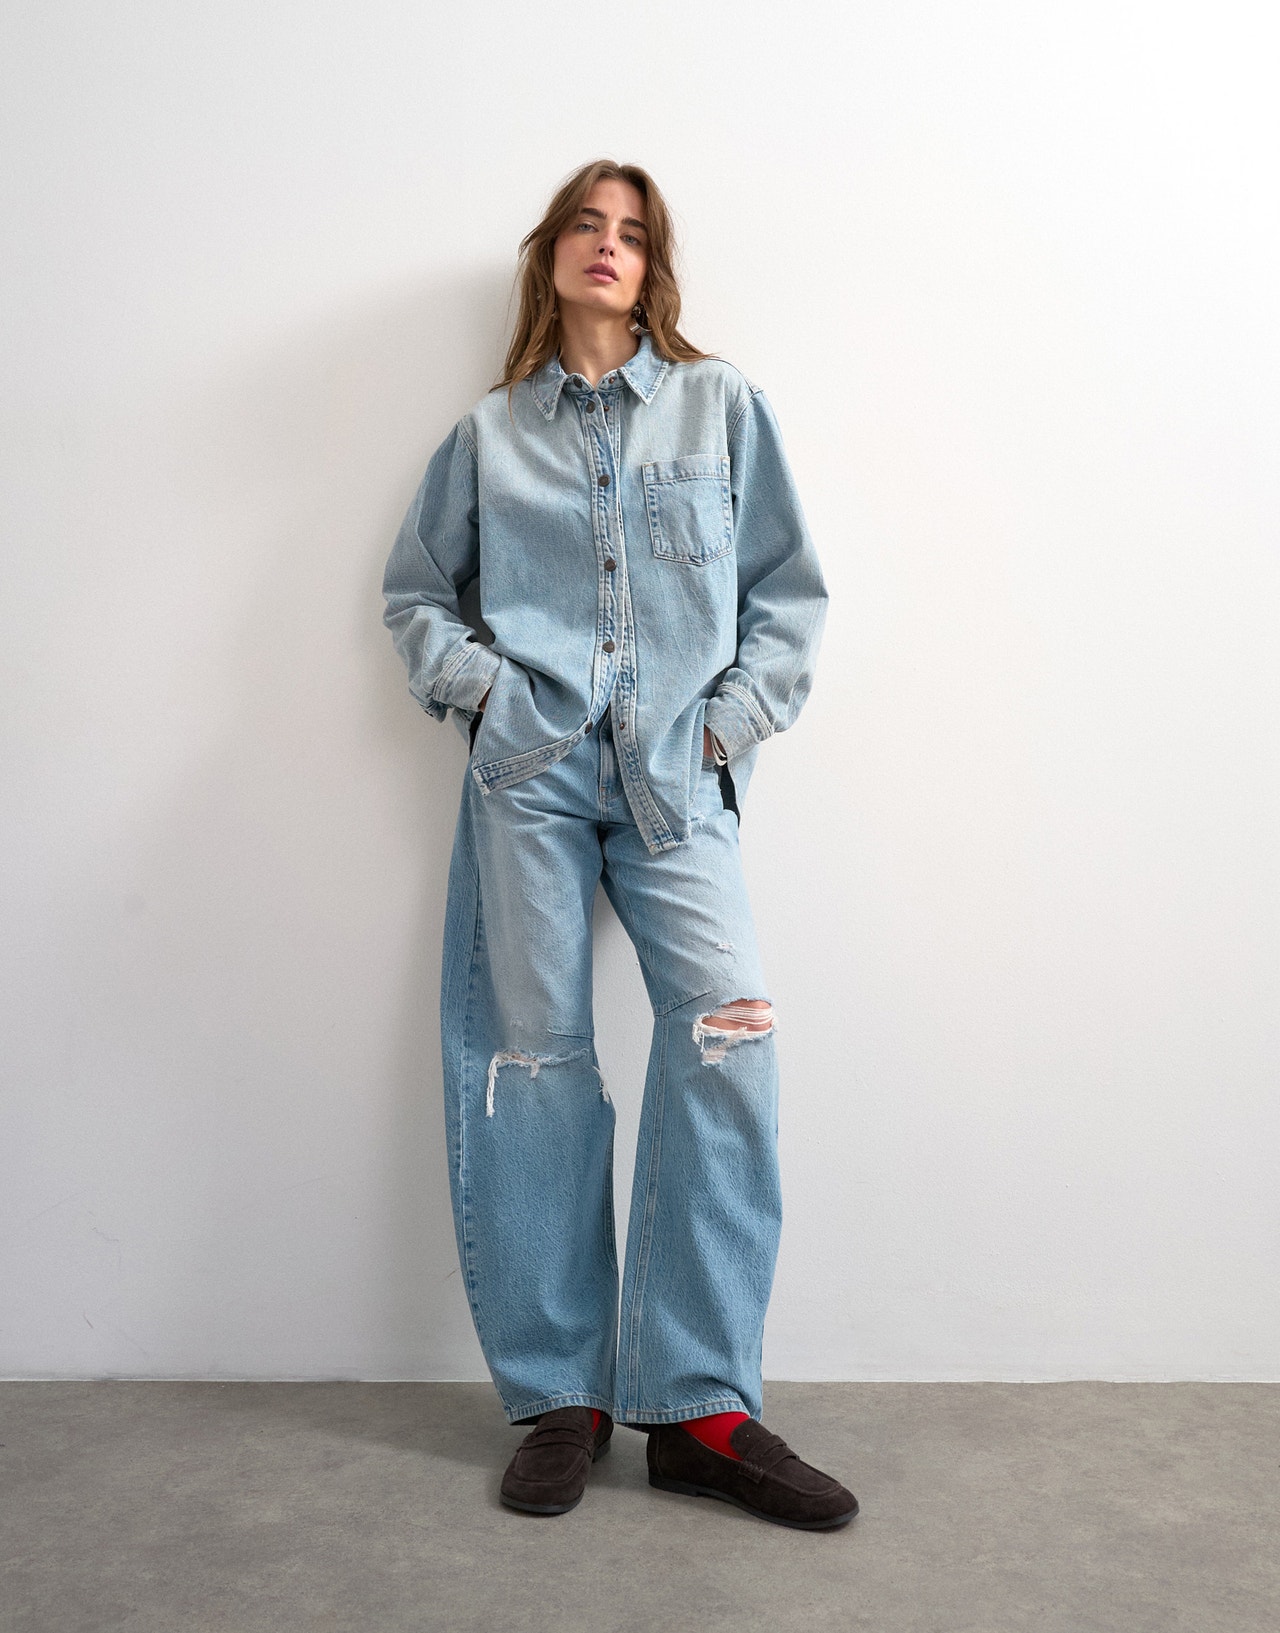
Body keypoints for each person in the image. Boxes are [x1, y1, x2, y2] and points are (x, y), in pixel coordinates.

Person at [382, 159, 857, 1530]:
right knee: (535, 1067)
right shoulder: (488, 436)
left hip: (675, 786)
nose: (609, 245)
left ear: (655, 268)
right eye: (587, 225)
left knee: (730, 1040)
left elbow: (788, 595)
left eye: (633, 232)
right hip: (527, 783)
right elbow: (416, 597)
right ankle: (562, 1398)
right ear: (552, 255)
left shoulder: (719, 406)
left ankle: (701, 1408)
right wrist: (490, 697)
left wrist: (727, 726)